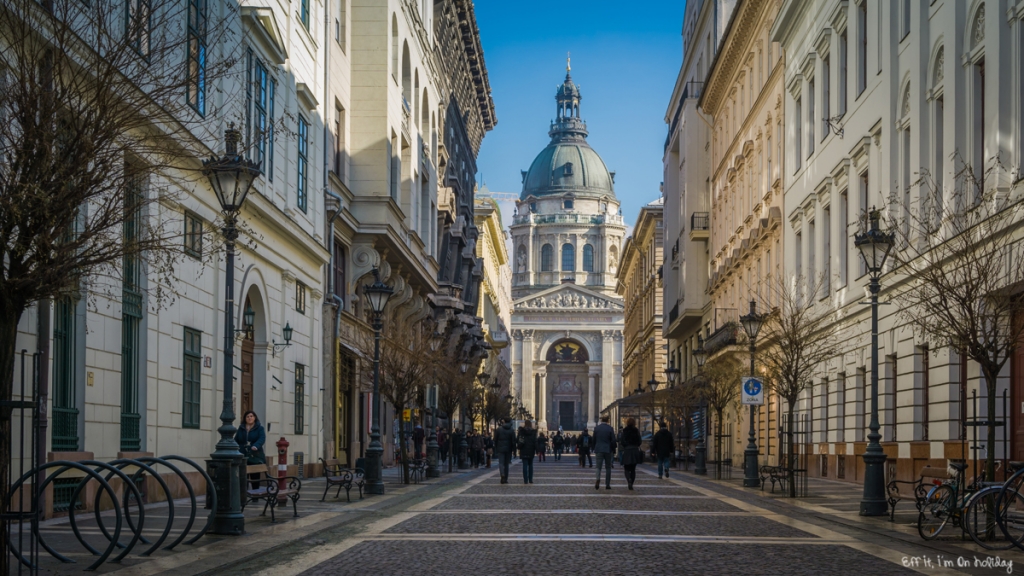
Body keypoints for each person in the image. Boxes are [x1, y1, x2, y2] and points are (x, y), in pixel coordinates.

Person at [235, 410, 266, 489]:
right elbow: (236, 439)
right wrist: (235, 448)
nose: (249, 418)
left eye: (251, 416)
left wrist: (256, 446)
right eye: (247, 417)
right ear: (245, 418)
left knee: (255, 475)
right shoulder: (241, 428)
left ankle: (255, 494)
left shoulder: (260, 428)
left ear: (254, 417)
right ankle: (243, 495)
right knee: (243, 475)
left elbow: (262, 438)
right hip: (243, 454)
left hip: (254, 455)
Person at [593, 415, 616, 490]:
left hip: (599, 449)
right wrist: (614, 449)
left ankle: (597, 478)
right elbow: (613, 440)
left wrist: (594, 448)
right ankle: (607, 484)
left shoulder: (597, 428)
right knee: (608, 467)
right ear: (607, 421)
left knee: (598, 466)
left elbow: (594, 439)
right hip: (607, 449)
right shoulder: (610, 428)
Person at [620, 417, 643, 490]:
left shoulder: (625, 431)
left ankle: (628, 480)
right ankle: (631, 482)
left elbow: (622, 441)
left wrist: (626, 446)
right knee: (633, 469)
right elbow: (639, 441)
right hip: (635, 450)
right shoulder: (636, 430)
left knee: (626, 468)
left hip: (627, 450)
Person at [493, 418, 515, 483]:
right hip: (508, 449)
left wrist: (496, 447)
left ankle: (502, 474)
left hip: (500, 448)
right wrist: (514, 449)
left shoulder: (499, 429)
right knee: (506, 464)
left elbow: (495, 439)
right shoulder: (511, 430)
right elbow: (513, 441)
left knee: (501, 463)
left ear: (504, 421)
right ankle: (506, 478)